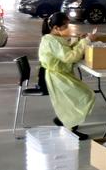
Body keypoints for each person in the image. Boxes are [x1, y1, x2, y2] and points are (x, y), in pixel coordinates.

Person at [39, 12, 96, 140]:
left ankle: (66, 121)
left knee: (75, 99)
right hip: (57, 76)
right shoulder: (51, 41)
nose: (67, 28)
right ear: (56, 28)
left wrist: (79, 41)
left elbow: (66, 50)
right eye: (65, 26)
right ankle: (69, 126)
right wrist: (86, 41)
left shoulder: (53, 38)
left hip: (61, 74)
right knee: (82, 97)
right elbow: (69, 57)